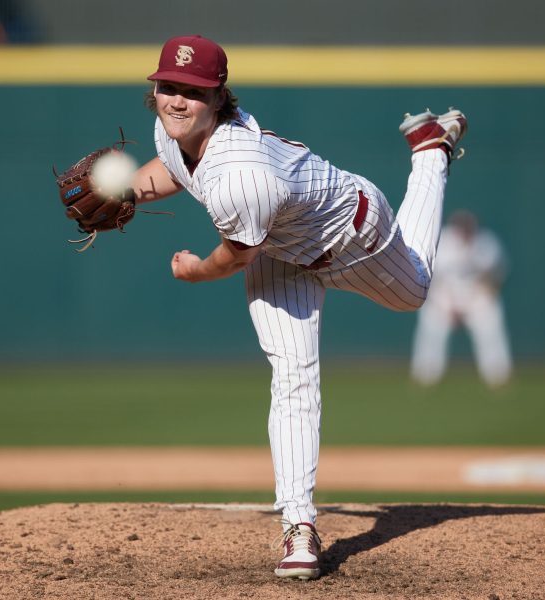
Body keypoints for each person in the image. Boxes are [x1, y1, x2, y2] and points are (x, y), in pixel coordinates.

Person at [121, 34, 467, 580]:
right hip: (281, 252)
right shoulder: (172, 130)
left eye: (192, 91)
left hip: (351, 235)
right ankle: (299, 526)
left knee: (417, 291)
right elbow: (173, 171)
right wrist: (126, 191)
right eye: (168, 87)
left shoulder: (241, 173)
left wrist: (193, 271)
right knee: (294, 376)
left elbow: (232, 257)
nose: (176, 100)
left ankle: (429, 155)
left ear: (218, 98)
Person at [410, 210, 512, 388]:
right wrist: (448, 306)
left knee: (490, 317)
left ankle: (497, 374)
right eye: (461, 228)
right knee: (431, 319)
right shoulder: (442, 244)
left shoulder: (486, 245)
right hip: (444, 298)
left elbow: (495, 278)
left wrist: (480, 297)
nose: (465, 233)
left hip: (476, 298)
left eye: (468, 229)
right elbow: (433, 281)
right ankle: (426, 374)